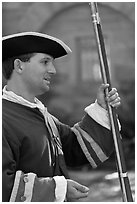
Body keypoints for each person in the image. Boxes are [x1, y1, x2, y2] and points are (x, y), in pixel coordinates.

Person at [2, 32, 121, 202]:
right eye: (45, 62)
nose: (53, 70)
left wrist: (102, 107)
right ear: (19, 66)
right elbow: (3, 185)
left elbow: (76, 148)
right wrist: (58, 189)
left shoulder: (44, 116)